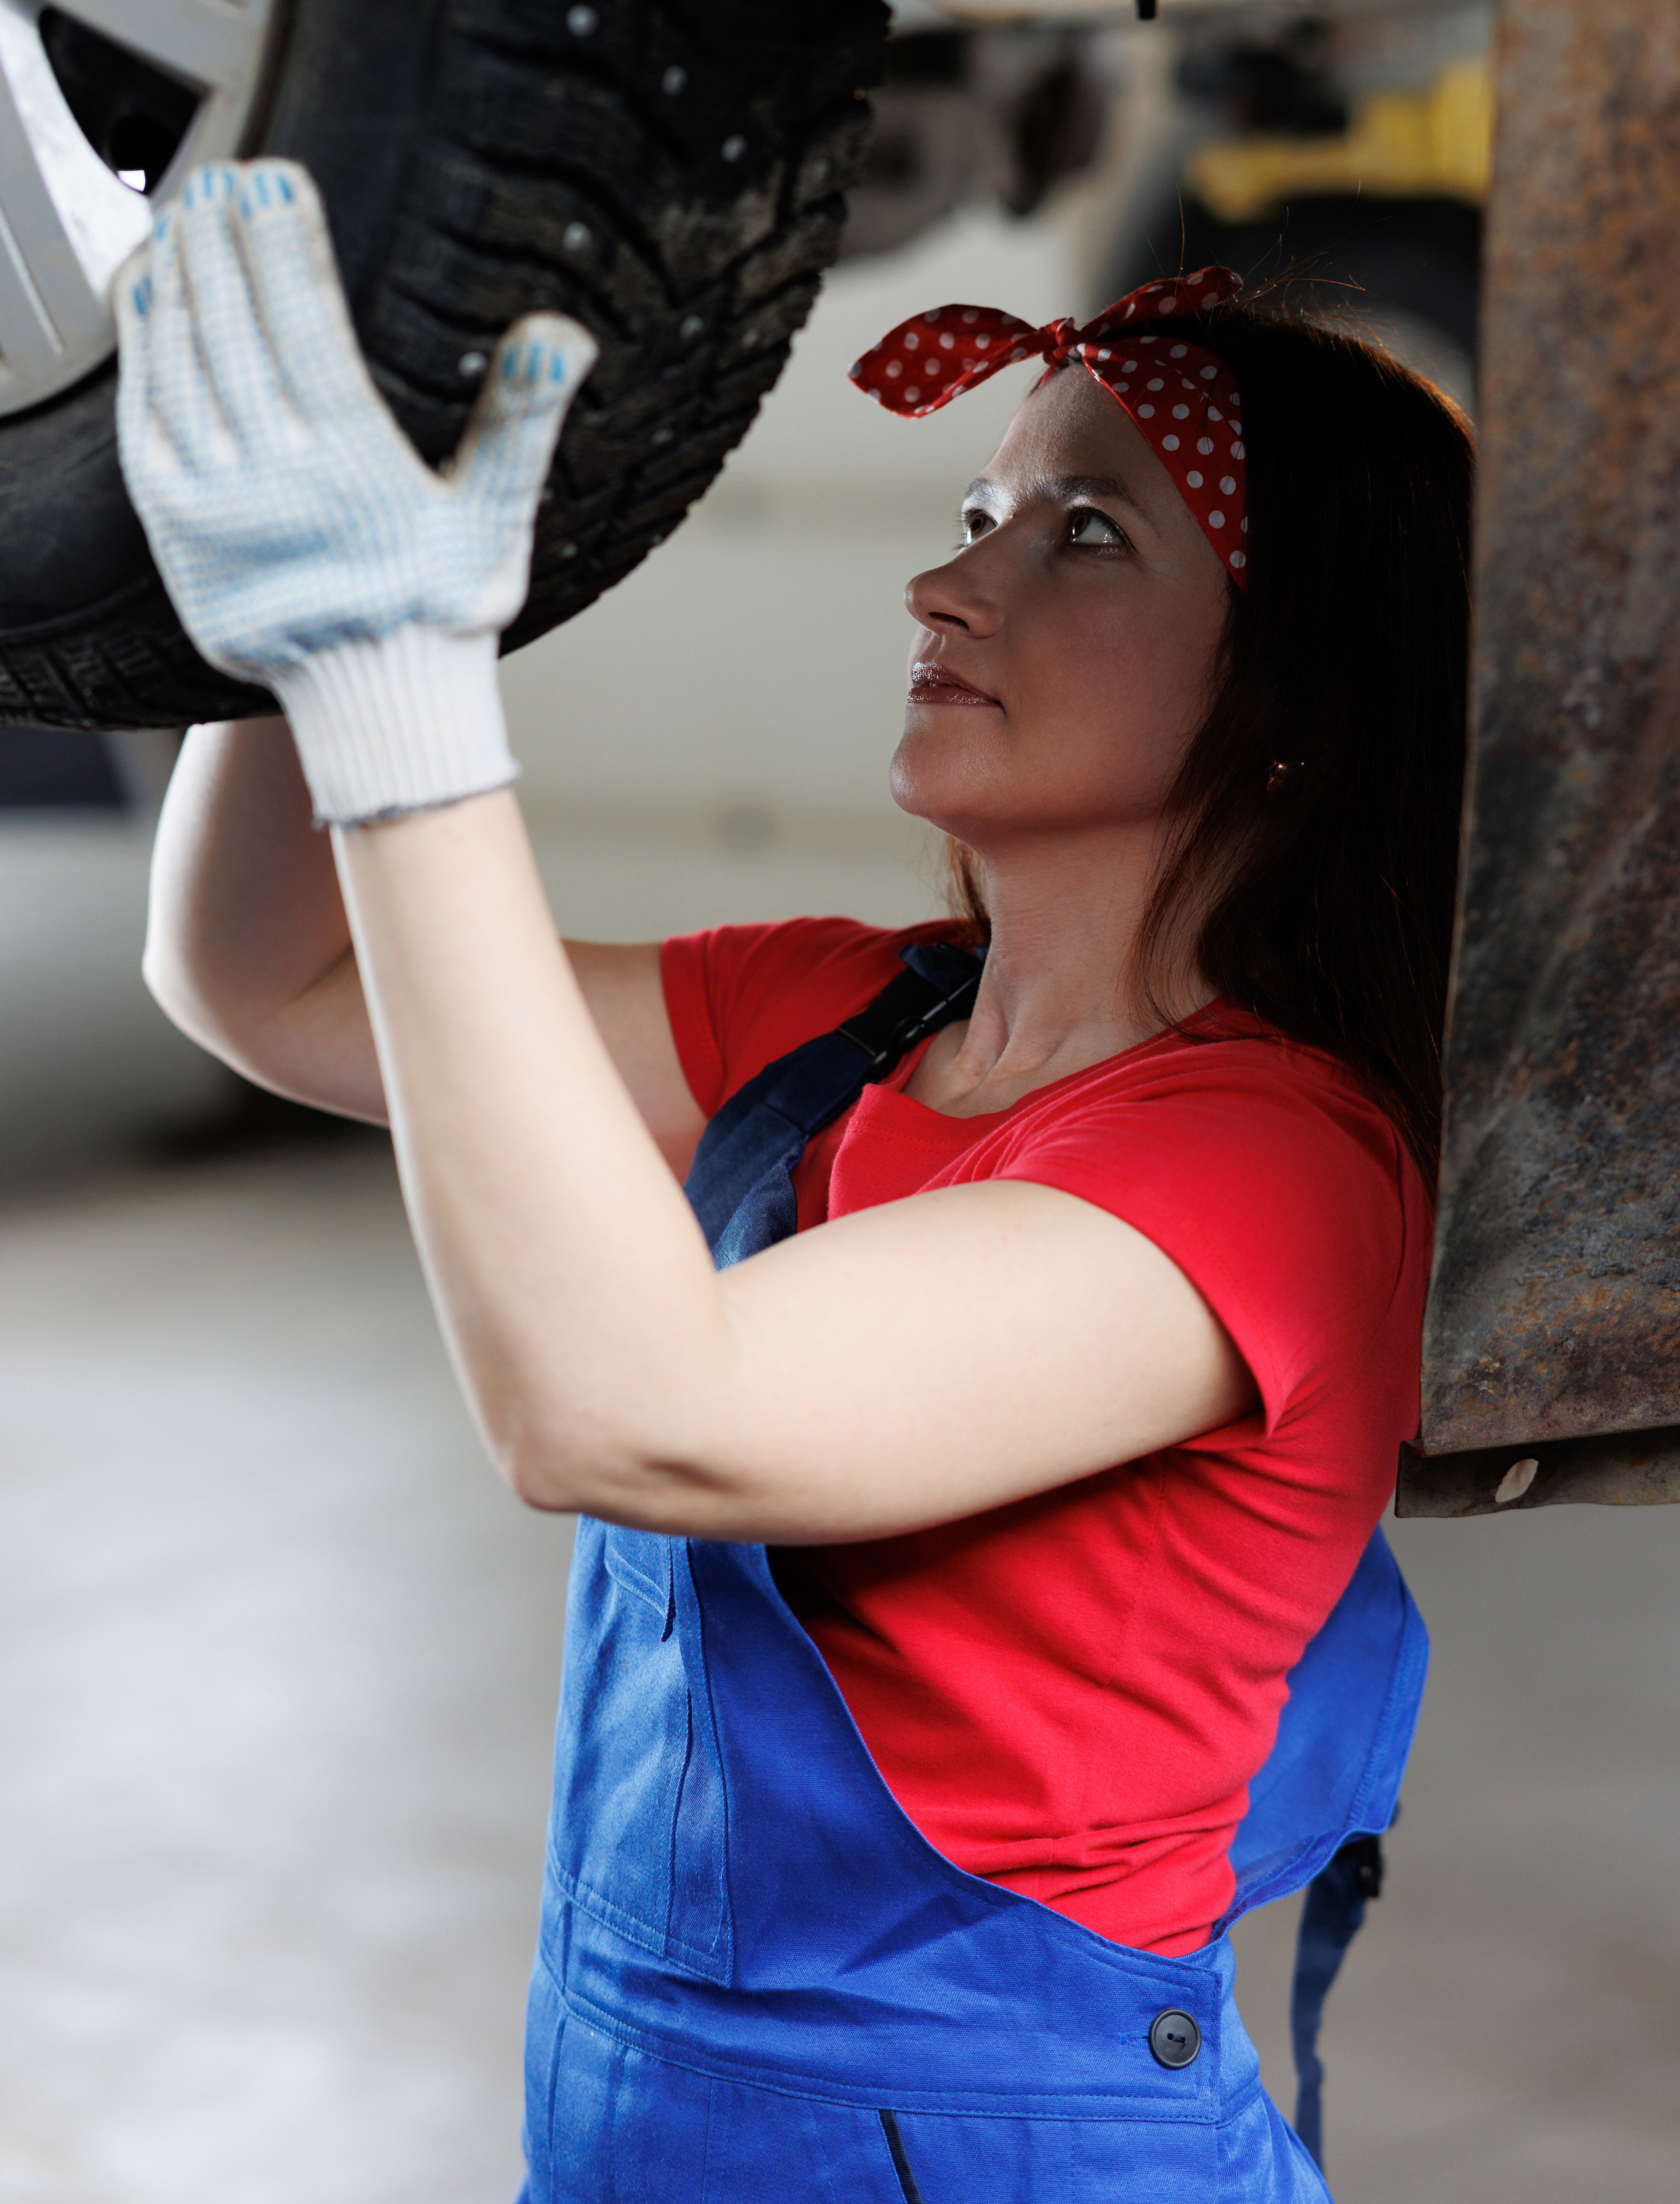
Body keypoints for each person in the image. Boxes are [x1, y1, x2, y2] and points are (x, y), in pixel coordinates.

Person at [121, 163, 1468, 2202]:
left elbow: (630, 1409)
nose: (954, 588)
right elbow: (263, 979)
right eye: (976, 514)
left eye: (1084, 535)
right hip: (636, 2104)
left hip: (1006, 2150)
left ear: (1300, 703)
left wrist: (400, 664)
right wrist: (284, 636)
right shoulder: (848, 1018)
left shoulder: (1268, 1167)